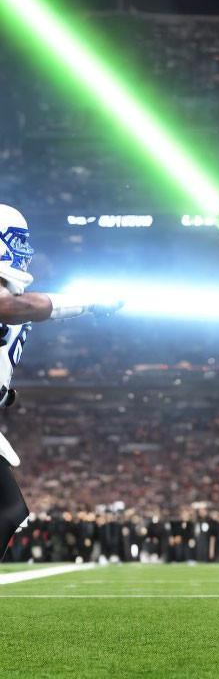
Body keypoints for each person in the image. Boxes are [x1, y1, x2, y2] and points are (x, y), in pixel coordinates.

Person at [0, 205, 123, 558]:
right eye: (18, 241)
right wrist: (87, 302)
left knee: (9, 511)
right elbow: (15, 309)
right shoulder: (11, 301)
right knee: (7, 510)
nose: (25, 250)